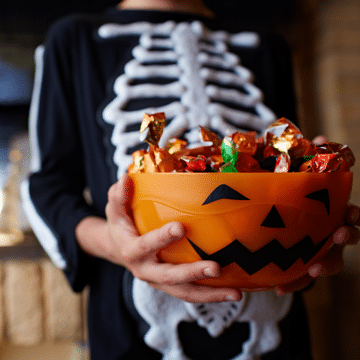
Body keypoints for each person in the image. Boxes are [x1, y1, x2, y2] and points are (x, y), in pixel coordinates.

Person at [21, 0, 360, 359]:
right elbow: (47, 189)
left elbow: (283, 171)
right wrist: (113, 244)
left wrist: (313, 234)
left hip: (275, 325)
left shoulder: (267, 46)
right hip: (131, 333)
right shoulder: (74, 38)